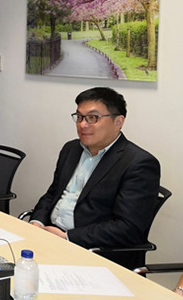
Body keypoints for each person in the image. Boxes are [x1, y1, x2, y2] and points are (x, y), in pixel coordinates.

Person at [29, 87, 160, 269]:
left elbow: (128, 228)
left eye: (93, 118)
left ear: (118, 122)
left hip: (93, 252)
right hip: (50, 238)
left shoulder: (139, 163)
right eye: (79, 117)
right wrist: (37, 222)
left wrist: (68, 237)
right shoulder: (71, 149)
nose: (83, 125)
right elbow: (53, 194)